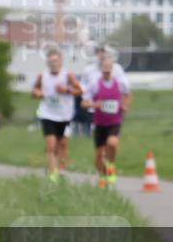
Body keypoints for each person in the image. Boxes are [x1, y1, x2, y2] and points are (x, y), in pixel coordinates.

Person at [31, 48, 82, 182]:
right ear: (47, 62)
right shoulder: (42, 76)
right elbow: (34, 90)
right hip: (48, 115)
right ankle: (52, 174)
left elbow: (79, 91)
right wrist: (37, 93)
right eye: (51, 61)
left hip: (65, 116)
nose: (53, 64)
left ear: (61, 61)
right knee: (51, 145)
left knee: (63, 144)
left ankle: (62, 168)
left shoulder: (68, 75)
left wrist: (67, 90)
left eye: (56, 61)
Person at [82, 57, 132, 189]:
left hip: (115, 121)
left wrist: (125, 106)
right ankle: (102, 176)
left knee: (112, 143)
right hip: (99, 123)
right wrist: (94, 104)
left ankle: (111, 166)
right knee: (99, 155)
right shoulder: (94, 84)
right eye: (105, 68)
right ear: (101, 69)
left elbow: (128, 94)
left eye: (109, 68)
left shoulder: (120, 83)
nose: (107, 70)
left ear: (113, 69)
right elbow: (84, 103)